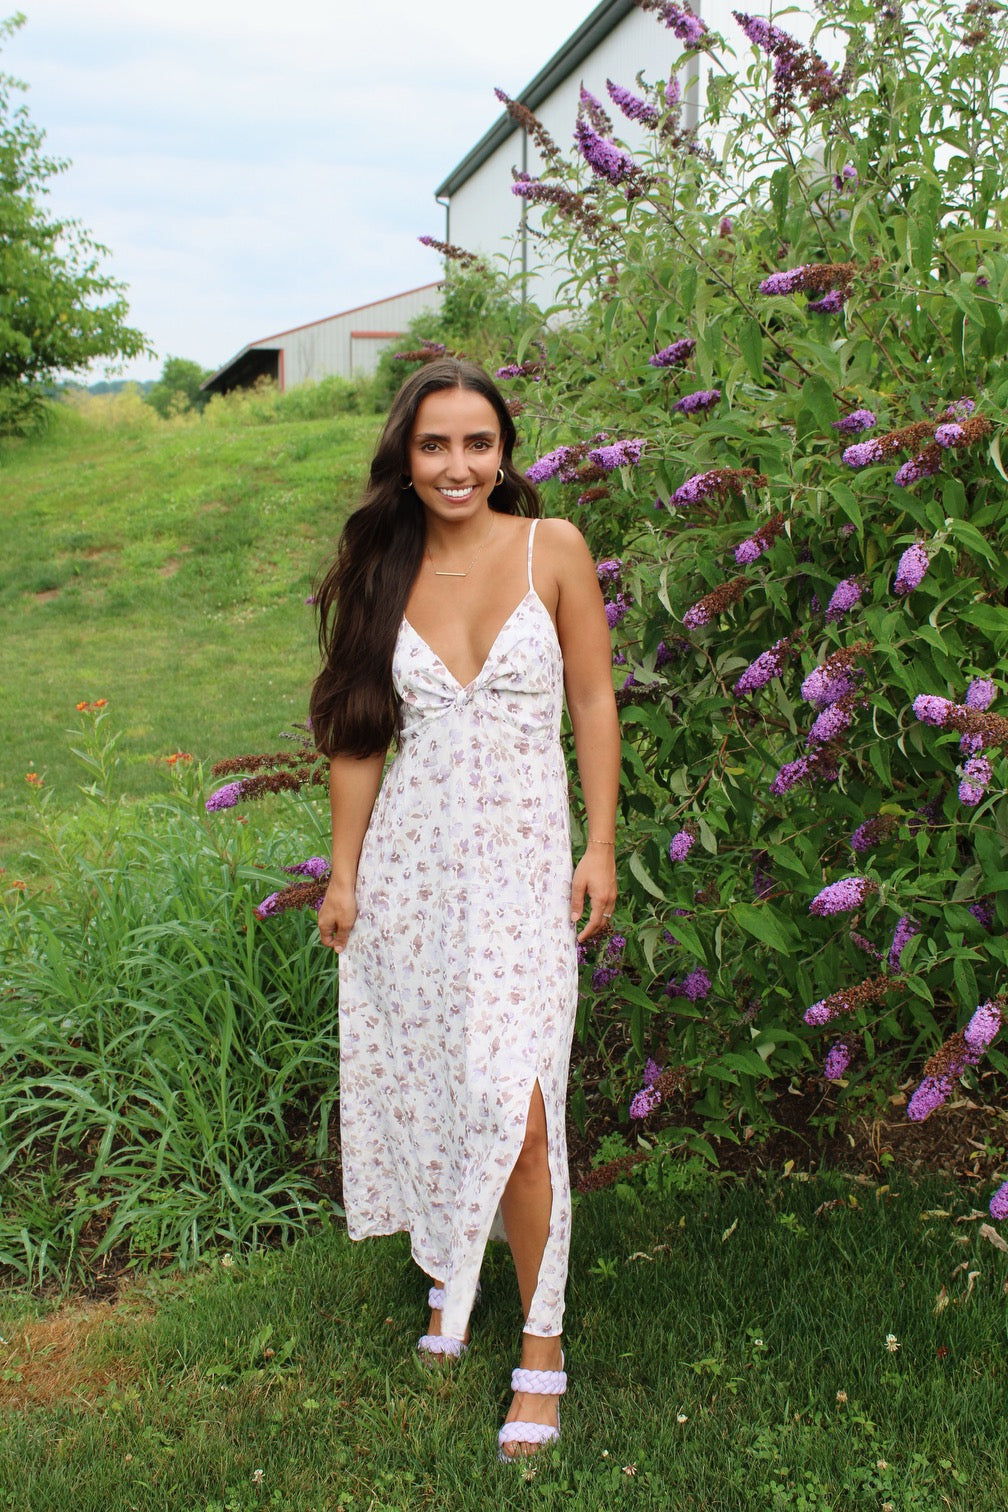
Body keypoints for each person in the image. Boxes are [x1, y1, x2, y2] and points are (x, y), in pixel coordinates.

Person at [310, 358, 620, 1460]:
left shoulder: (555, 549)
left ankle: (542, 1346)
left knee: (523, 1102)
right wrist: (344, 875)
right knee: (449, 1083)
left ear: (505, 451)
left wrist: (603, 843)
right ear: (405, 454)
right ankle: (453, 1273)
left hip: (531, 871)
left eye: (477, 444)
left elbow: (592, 698)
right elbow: (357, 735)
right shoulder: (381, 574)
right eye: (435, 445)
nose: (456, 466)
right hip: (417, 874)